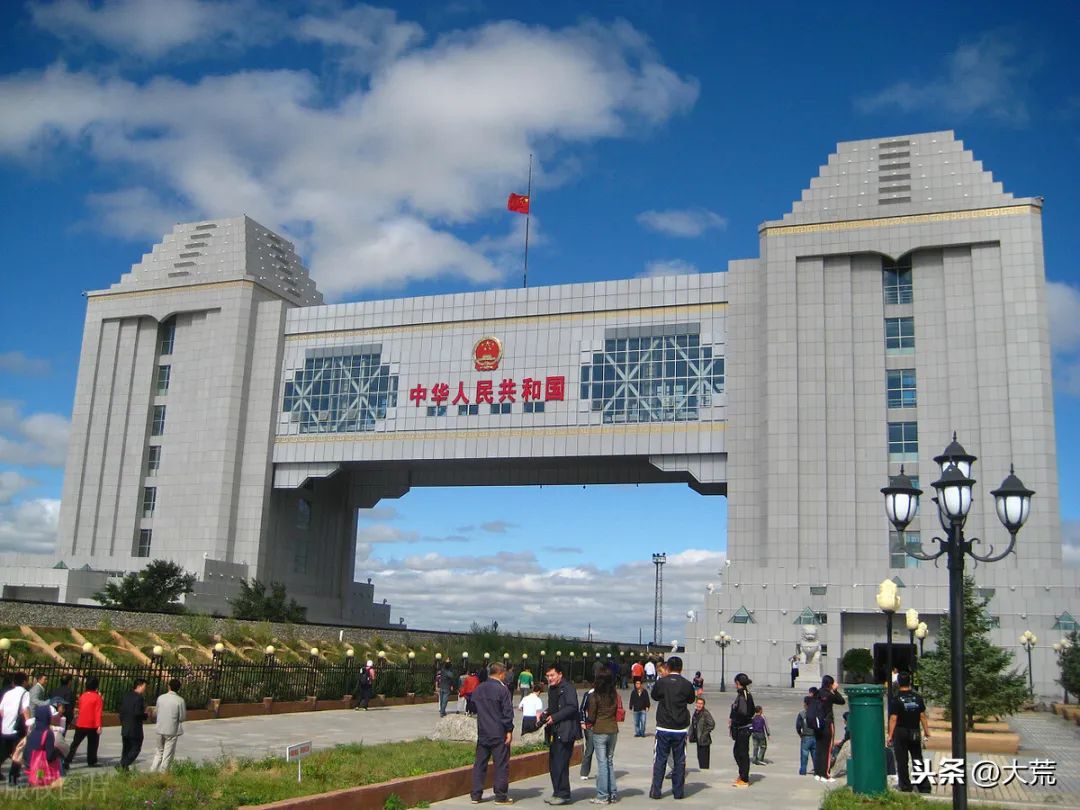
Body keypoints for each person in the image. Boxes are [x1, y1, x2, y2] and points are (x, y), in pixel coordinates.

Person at [648, 655, 696, 800]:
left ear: (668, 667)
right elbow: (691, 699)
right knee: (679, 760)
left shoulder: (662, 682)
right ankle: (678, 792)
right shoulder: (687, 684)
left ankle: (656, 791)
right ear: (681, 668)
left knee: (660, 759)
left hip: (664, 726)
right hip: (680, 727)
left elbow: (654, 696)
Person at [470, 662, 515, 806]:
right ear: (501, 674)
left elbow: (472, 706)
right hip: (499, 732)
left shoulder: (480, 687)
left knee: (480, 764)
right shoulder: (503, 690)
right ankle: (500, 796)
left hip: (483, 731)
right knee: (501, 764)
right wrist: (509, 730)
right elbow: (507, 712)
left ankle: (476, 795)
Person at [542, 663, 579, 806]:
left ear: (560, 674)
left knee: (561, 763)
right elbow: (553, 707)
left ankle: (563, 794)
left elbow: (572, 707)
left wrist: (555, 717)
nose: (549, 678)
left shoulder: (567, 688)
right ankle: (557, 792)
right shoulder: (552, 689)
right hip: (554, 731)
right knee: (553, 763)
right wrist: (545, 714)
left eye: (552, 675)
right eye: (548, 676)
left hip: (566, 730)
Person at [887, 672, 931, 794]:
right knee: (917, 758)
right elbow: (922, 716)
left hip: (901, 732)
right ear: (910, 682)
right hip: (915, 731)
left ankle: (905, 785)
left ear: (899, 683)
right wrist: (926, 731)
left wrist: (890, 735)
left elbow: (893, 718)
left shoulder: (896, 699)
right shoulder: (917, 698)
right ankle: (924, 786)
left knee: (902, 760)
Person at [586, 668, 619, 804]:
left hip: (600, 730)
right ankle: (612, 793)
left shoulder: (595, 695)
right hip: (613, 729)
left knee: (602, 763)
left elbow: (591, 716)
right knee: (609, 761)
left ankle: (603, 795)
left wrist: (587, 723)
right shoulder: (614, 694)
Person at [811, 675, 846, 783]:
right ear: (830, 684)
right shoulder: (829, 695)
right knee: (827, 749)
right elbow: (841, 701)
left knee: (819, 748)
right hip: (827, 723)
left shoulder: (817, 693)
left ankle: (817, 773)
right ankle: (825, 774)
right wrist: (835, 690)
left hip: (817, 724)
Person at [63, 675, 102, 769]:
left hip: (81, 723)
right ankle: (91, 761)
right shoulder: (97, 698)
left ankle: (67, 760)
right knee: (93, 744)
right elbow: (98, 713)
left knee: (75, 744)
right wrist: (99, 725)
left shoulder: (83, 696)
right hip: (92, 724)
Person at [149, 679, 185, 773]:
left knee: (159, 752)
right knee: (167, 754)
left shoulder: (160, 698)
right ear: (179, 688)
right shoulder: (180, 700)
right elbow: (182, 717)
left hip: (160, 728)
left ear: (169, 686)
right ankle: (163, 773)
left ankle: (152, 771)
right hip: (172, 730)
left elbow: (155, 712)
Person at [0, 672, 30, 785]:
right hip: (17, 729)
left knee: (4, 752)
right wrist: (28, 724)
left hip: (5, 728)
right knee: (18, 753)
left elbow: (1, 711)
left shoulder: (8, 693)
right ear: (24, 682)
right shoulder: (25, 693)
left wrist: (8, 718)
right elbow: (25, 710)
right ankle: (13, 778)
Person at [23, 704, 63, 786]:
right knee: (59, 761)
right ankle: (44, 782)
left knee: (38, 777)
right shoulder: (48, 733)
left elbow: (25, 753)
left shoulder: (32, 732)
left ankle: (36, 781)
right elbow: (49, 756)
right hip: (40, 766)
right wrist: (57, 752)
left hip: (29, 764)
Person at [728, 673, 755, 788]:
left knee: (742, 753)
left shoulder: (743, 695)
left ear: (738, 683)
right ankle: (742, 774)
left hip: (743, 728)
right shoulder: (745, 693)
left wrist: (734, 720)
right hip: (743, 727)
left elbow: (743, 713)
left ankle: (744, 778)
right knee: (737, 752)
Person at [118, 678, 148, 770]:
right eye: (144, 686)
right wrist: (145, 715)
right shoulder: (139, 698)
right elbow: (137, 713)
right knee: (136, 748)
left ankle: (124, 769)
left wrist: (123, 722)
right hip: (135, 729)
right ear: (139, 686)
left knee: (126, 749)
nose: (145, 689)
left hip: (125, 727)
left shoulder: (126, 696)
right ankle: (122, 764)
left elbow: (121, 712)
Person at [688, 696, 716, 770]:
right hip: (699, 740)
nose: (699, 705)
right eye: (698, 703)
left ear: (703, 705)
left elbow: (712, 724)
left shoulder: (705, 713)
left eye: (701, 704)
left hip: (704, 741)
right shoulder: (696, 712)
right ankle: (703, 769)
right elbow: (693, 724)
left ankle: (705, 772)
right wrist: (690, 734)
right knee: (700, 757)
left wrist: (704, 733)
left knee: (704, 759)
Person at [795, 695, 817, 775]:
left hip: (806, 737)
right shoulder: (816, 713)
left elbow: (798, 726)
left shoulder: (802, 714)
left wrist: (800, 734)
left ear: (805, 704)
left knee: (804, 755)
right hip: (815, 736)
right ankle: (817, 770)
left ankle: (803, 771)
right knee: (815, 755)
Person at [578, 679, 595, 781]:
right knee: (590, 749)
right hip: (590, 726)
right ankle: (584, 772)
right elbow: (582, 709)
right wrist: (583, 722)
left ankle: (605, 773)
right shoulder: (588, 694)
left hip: (602, 726)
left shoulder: (605, 694)